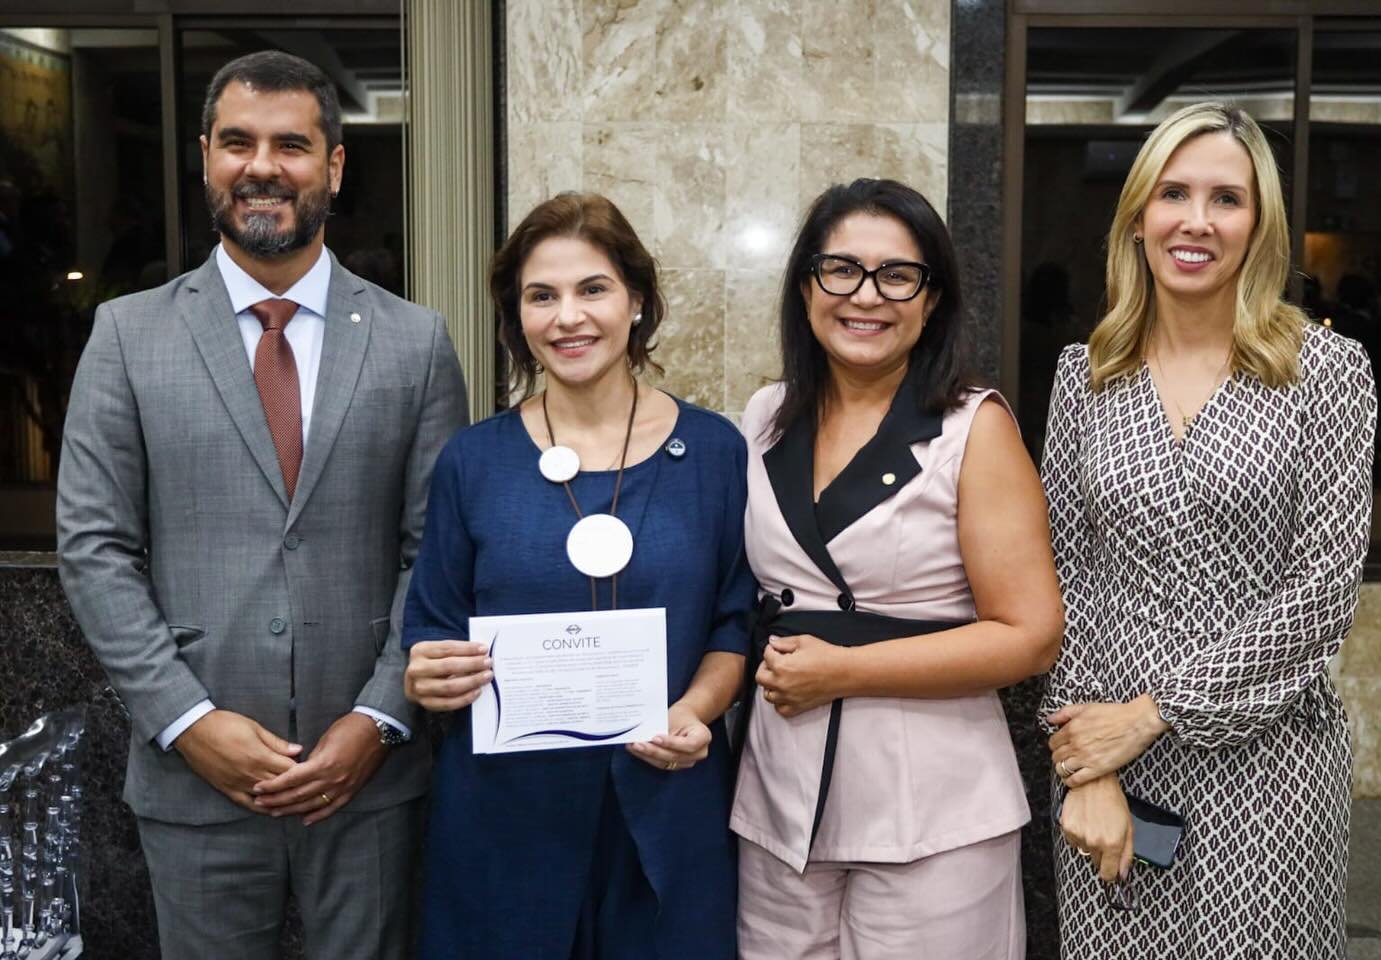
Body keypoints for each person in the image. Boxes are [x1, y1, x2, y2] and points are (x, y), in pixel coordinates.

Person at [55, 50, 467, 959]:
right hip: (193, 779)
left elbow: (436, 551)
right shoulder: (127, 335)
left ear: (334, 165)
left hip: (369, 778)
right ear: (206, 157)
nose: (262, 166)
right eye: (237, 142)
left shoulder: (416, 342)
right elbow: (93, 547)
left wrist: (380, 716)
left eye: (291, 144)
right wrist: (189, 723)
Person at [1041, 102, 1375, 960]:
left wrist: (1154, 716)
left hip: (1269, 767)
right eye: (1173, 193)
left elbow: (1324, 589)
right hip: (1110, 769)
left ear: (1258, 223)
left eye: (1225, 198)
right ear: (1138, 218)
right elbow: (1064, 577)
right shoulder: (1084, 375)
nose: (1195, 221)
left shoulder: (1326, 371)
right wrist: (1088, 762)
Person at [401, 192, 754, 959]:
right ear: (516, 317)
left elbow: (734, 621)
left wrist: (697, 708)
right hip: (505, 820)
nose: (568, 317)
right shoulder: (474, 460)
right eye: (541, 296)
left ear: (637, 301)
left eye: (593, 288)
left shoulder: (718, 451)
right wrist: (427, 673)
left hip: (666, 804)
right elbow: (431, 624)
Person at [729, 178, 1063, 959]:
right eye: (840, 269)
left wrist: (843, 670)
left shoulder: (972, 427)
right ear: (806, 285)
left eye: (897, 275)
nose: (865, 296)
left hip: (933, 806)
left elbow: (1031, 635)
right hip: (781, 797)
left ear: (933, 298)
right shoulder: (763, 417)